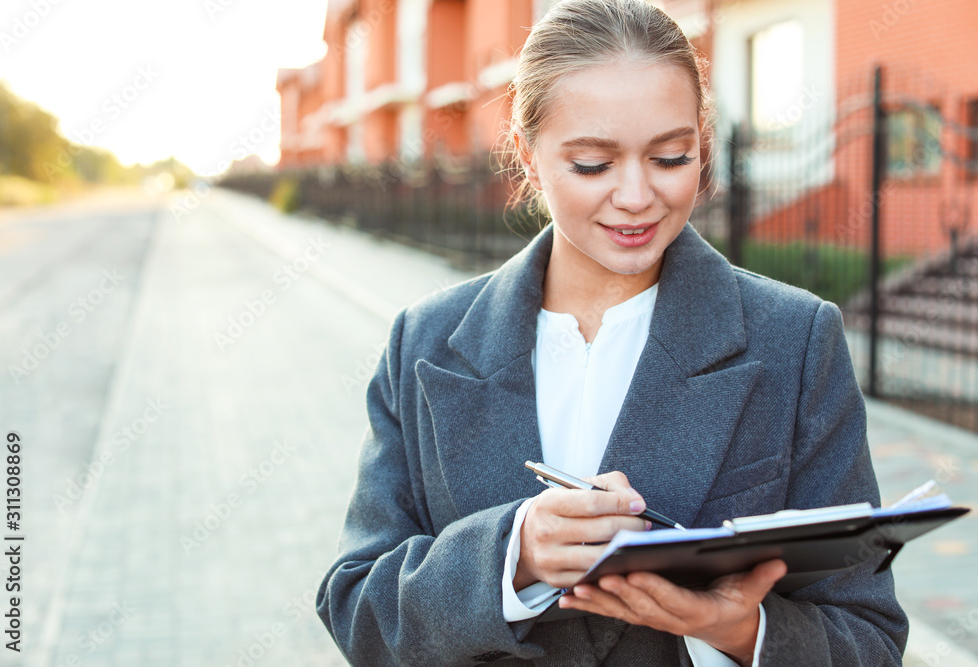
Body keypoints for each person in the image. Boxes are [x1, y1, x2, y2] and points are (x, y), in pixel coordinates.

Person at [317, 0, 908, 664]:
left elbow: (868, 636)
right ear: (527, 153)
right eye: (593, 163)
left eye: (671, 156)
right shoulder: (424, 342)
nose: (635, 195)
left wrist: (735, 628)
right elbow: (358, 608)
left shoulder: (795, 341)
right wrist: (511, 556)